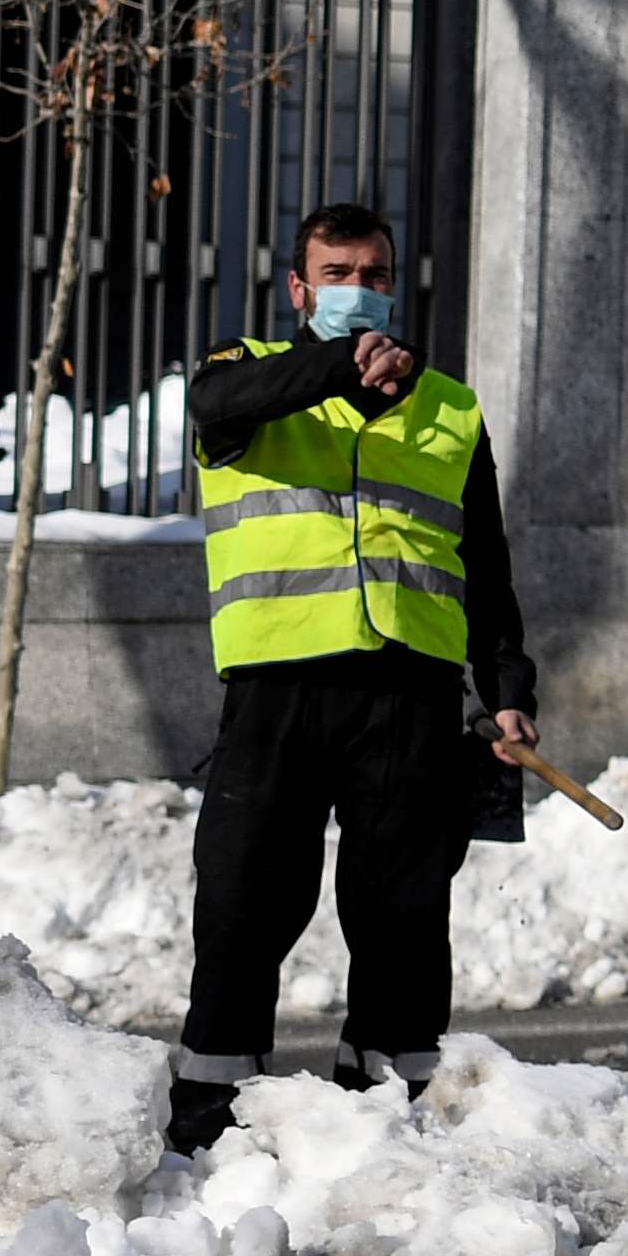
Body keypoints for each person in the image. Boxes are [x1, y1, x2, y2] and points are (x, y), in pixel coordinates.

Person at [171, 201, 540, 1154]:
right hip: (279, 689)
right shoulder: (243, 372)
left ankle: (392, 1123)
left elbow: (485, 569)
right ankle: (210, 1124)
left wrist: (507, 690)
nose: (358, 290)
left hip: (410, 695)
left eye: (373, 274)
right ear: (299, 289)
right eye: (336, 274)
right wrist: (343, 364)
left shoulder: (449, 408)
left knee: (403, 918)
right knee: (244, 906)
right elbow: (216, 408)